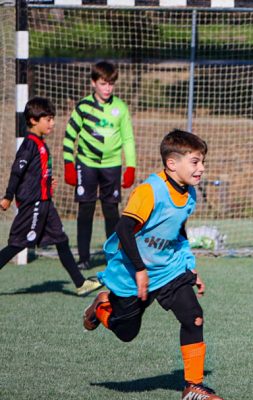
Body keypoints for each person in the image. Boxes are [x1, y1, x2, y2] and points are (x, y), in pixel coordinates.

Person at [82, 129, 223, 400]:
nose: (201, 168)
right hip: (131, 274)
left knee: (194, 316)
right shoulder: (150, 191)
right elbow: (124, 229)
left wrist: (191, 267)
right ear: (172, 163)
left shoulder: (189, 195)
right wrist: (140, 270)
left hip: (169, 270)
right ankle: (101, 305)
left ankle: (193, 387)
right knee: (126, 333)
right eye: (195, 162)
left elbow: (178, 233)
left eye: (202, 162)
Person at [0, 97, 102, 295]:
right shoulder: (29, 145)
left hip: (46, 202)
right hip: (34, 204)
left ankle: (80, 283)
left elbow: (34, 172)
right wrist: (8, 196)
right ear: (32, 120)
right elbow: (17, 171)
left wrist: (47, 183)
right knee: (17, 244)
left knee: (61, 240)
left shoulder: (40, 143)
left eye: (52, 119)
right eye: (47, 119)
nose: (52, 123)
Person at [62, 61, 137, 270]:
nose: (108, 89)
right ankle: (84, 258)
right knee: (85, 209)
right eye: (103, 84)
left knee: (111, 211)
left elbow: (128, 139)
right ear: (93, 83)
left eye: (111, 84)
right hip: (85, 164)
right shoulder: (83, 107)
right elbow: (69, 138)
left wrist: (130, 166)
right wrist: (69, 164)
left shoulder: (120, 107)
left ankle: (113, 256)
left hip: (112, 166)